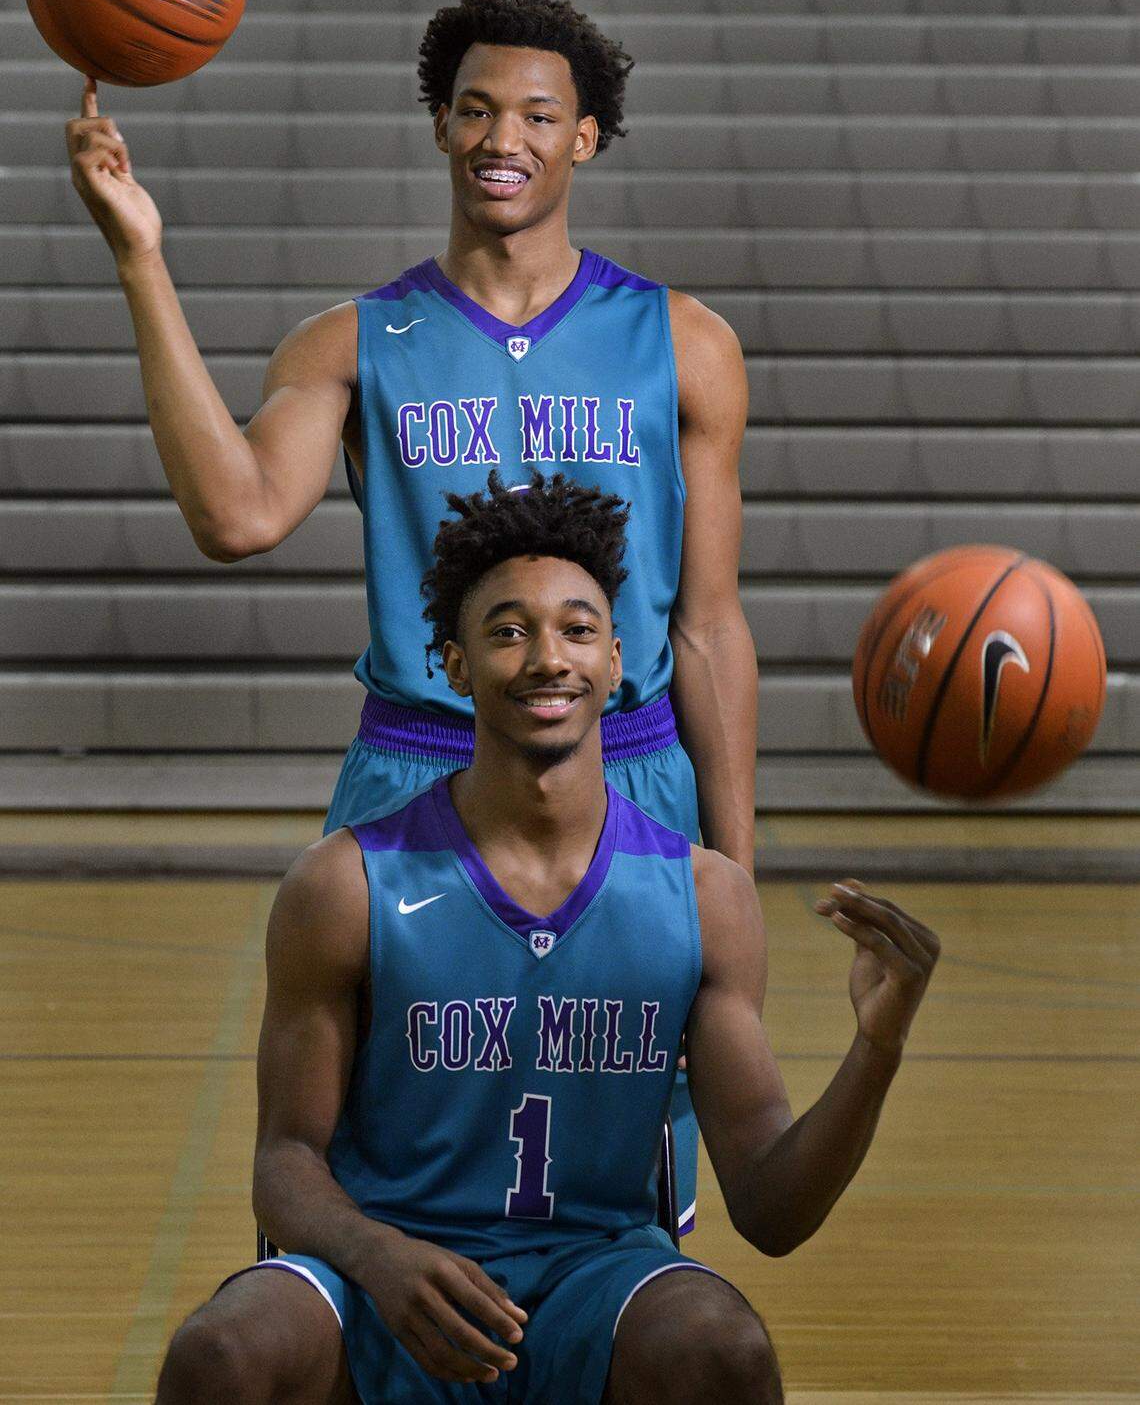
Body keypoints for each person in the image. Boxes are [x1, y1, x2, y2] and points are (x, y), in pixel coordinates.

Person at [65, 0, 758, 1231]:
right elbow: (235, 514)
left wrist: (737, 867)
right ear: (439, 125)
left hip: (625, 783)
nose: (505, 138)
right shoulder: (352, 340)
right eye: (477, 110)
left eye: (539, 116)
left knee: (618, 1197)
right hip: (416, 777)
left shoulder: (683, 341)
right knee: (361, 1169)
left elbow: (708, 624)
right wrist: (139, 256)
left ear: (585, 138)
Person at [154, 474, 939, 1405]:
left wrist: (876, 1051)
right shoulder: (345, 883)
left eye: (575, 628)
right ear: (452, 663)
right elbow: (284, 1162)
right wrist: (381, 1257)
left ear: (618, 658)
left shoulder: (703, 895)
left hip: (591, 1280)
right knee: (218, 1356)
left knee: (724, 1352)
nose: (546, 658)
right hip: (386, 1271)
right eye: (508, 629)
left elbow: (771, 1208)